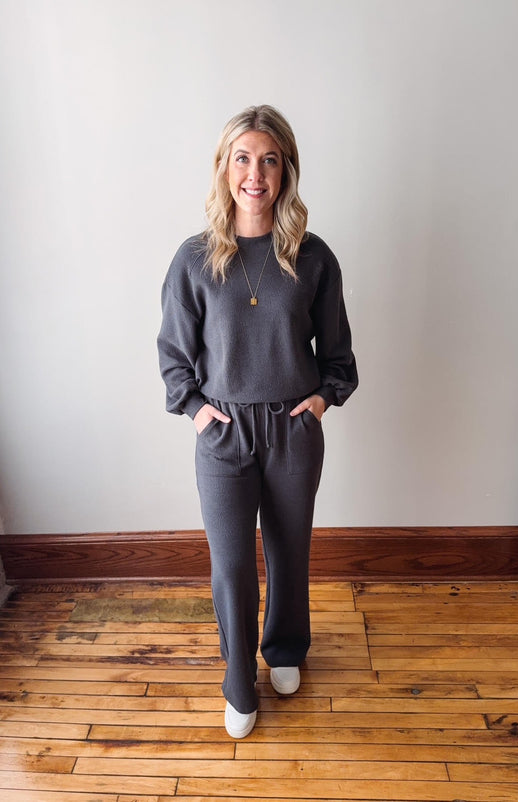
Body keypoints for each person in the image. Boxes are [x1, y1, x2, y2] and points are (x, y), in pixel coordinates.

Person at [157, 104, 358, 738]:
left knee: (289, 549)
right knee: (231, 563)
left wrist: (321, 401)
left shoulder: (313, 256)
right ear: (223, 168)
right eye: (242, 157)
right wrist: (195, 411)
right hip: (224, 435)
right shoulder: (195, 259)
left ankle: (287, 650)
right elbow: (173, 354)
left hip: (292, 430)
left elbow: (340, 355)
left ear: (286, 171)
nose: (255, 173)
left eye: (269, 159)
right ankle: (239, 680)